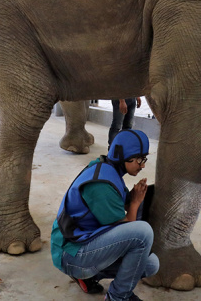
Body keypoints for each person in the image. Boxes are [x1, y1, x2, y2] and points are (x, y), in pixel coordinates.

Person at [51, 129, 159, 301]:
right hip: (71, 253)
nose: (143, 165)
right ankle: (117, 297)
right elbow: (129, 225)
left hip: (86, 241)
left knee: (151, 264)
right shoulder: (101, 184)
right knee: (142, 233)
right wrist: (135, 203)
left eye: (143, 159)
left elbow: (123, 202)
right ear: (125, 156)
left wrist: (138, 197)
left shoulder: (109, 168)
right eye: (140, 159)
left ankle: (88, 276)